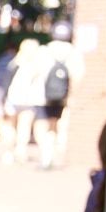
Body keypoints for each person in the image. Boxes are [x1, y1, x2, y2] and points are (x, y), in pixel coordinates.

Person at [29, 23, 86, 170]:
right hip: (62, 97)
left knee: (41, 126)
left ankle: (45, 154)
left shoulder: (44, 51)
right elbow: (78, 76)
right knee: (53, 126)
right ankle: (49, 154)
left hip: (41, 96)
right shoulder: (73, 52)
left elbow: (33, 72)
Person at [5, 38, 44, 165]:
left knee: (11, 127)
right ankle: (20, 151)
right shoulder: (38, 65)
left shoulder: (15, 63)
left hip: (13, 99)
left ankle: (8, 153)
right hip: (29, 101)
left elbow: (6, 82)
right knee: (24, 127)